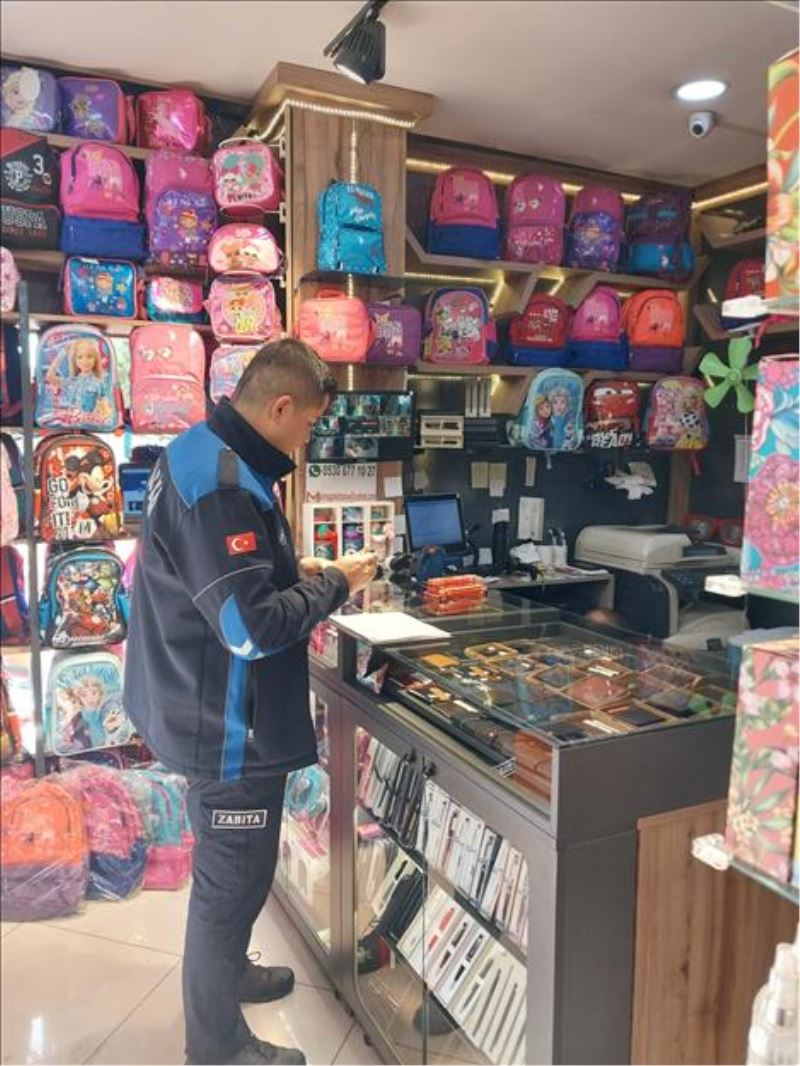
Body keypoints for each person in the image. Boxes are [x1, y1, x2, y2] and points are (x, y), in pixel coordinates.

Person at [124, 339, 378, 1066]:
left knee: (239, 874)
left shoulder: (200, 447)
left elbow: (226, 579)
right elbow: (251, 629)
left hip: (192, 700)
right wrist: (335, 584)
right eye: (310, 425)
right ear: (281, 406)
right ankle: (217, 1048)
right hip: (223, 730)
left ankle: (229, 973)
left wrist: (297, 569)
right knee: (230, 885)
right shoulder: (225, 484)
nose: (308, 439)